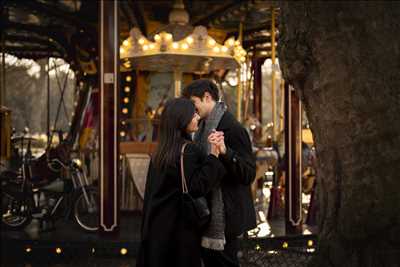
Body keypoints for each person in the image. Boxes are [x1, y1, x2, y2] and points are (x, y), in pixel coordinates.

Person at [137, 98, 226, 267]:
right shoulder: (189, 150)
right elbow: (198, 186)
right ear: (181, 118)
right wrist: (214, 155)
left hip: (156, 228)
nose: (197, 117)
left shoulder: (160, 151)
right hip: (180, 230)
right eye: (193, 114)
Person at [182, 79, 257, 267]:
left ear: (207, 97)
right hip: (207, 215)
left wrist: (225, 152)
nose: (193, 110)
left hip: (226, 216)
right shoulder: (201, 128)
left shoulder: (233, 128)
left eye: (194, 104)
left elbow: (248, 173)